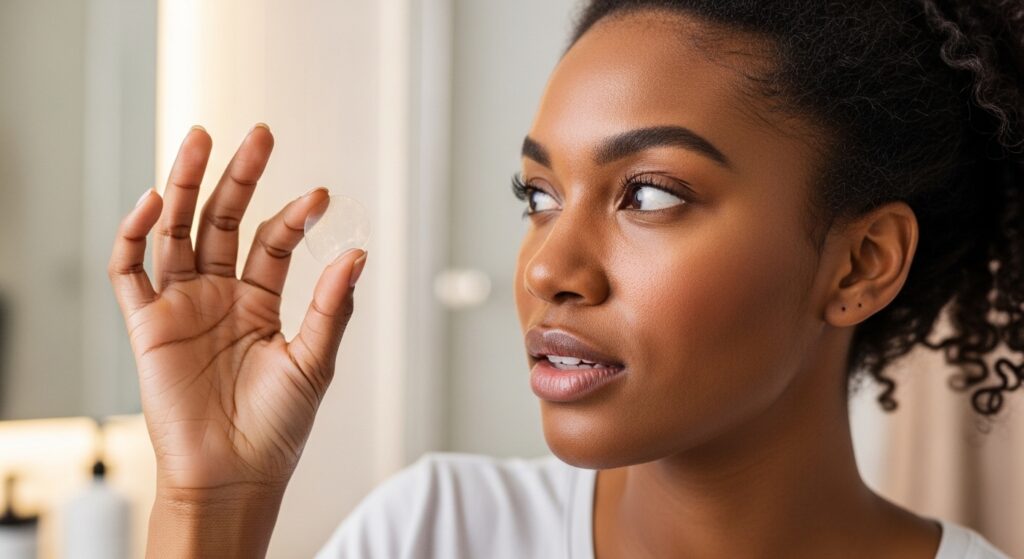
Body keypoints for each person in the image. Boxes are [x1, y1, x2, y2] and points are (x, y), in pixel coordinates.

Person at [108, 1, 1021, 557]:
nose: (547, 266)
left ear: (861, 263)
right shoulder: (438, 531)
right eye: (538, 196)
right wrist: (210, 503)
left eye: (649, 194)